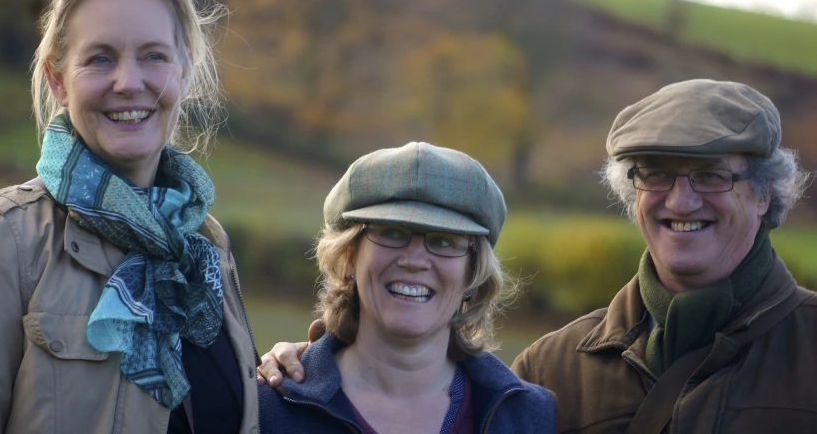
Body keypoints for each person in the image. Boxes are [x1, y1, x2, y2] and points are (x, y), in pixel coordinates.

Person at [258, 80, 817, 433]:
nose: (681, 200)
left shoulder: (516, 403)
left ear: (765, 192)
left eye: (712, 176)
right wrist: (307, 370)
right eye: (657, 174)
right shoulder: (549, 376)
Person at [0, 0, 259, 433]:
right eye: (101, 58)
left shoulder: (204, 248)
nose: (129, 82)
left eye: (154, 56)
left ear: (183, 74)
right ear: (58, 81)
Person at [258, 142, 557, 433]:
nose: (415, 261)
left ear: (473, 273)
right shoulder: (267, 409)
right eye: (391, 233)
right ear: (349, 255)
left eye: (443, 240)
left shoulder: (528, 417)